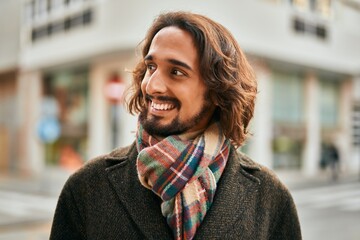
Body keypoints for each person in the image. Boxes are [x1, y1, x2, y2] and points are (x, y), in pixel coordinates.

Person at [50, 11, 302, 240]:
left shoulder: (270, 198)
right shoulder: (87, 188)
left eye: (177, 72)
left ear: (217, 91)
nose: (151, 85)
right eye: (151, 67)